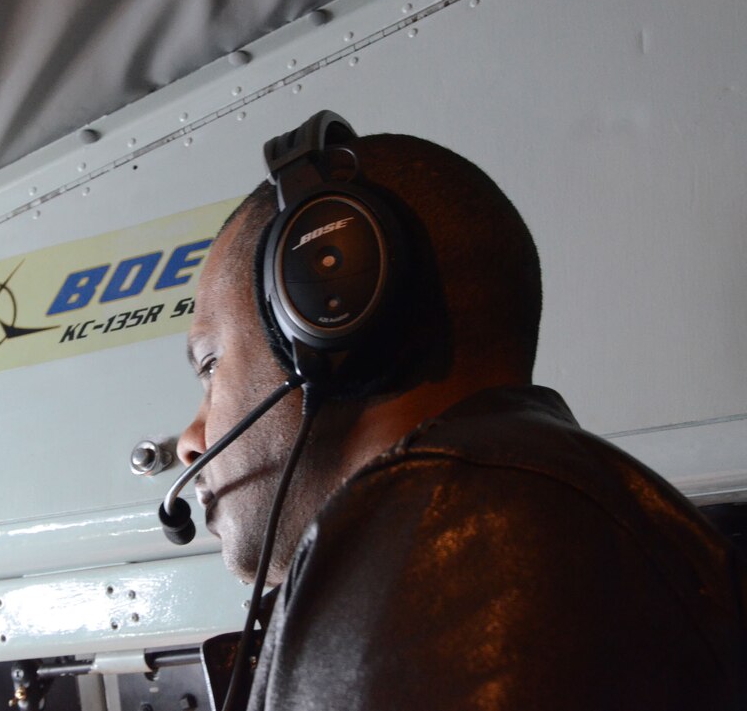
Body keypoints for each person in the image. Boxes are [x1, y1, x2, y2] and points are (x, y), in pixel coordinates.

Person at [175, 115, 747, 709]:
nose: (192, 440)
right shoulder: (524, 510)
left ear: (327, 321)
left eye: (211, 362)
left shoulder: (459, 549)